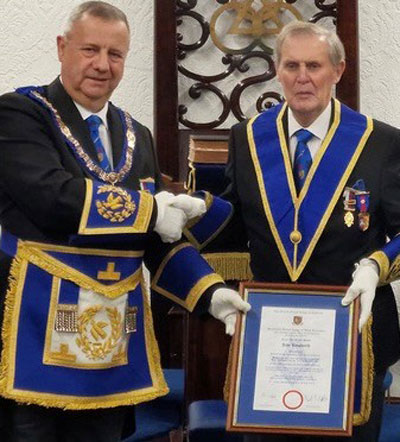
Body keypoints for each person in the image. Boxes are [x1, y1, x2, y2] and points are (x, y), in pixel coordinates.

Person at [0, 2, 249, 441]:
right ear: (62, 48)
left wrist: (210, 294)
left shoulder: (138, 134)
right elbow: (54, 198)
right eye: (89, 50)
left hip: (111, 348)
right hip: (35, 341)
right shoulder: (21, 114)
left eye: (115, 54)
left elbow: (156, 243)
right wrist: (154, 209)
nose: (101, 65)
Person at [185, 21, 400, 442]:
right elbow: (235, 226)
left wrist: (377, 266)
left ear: (337, 71)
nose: (303, 77)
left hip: (354, 334)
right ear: (277, 71)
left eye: (315, 66)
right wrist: (195, 211)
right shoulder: (248, 138)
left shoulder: (381, 143)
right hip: (270, 338)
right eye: (292, 65)